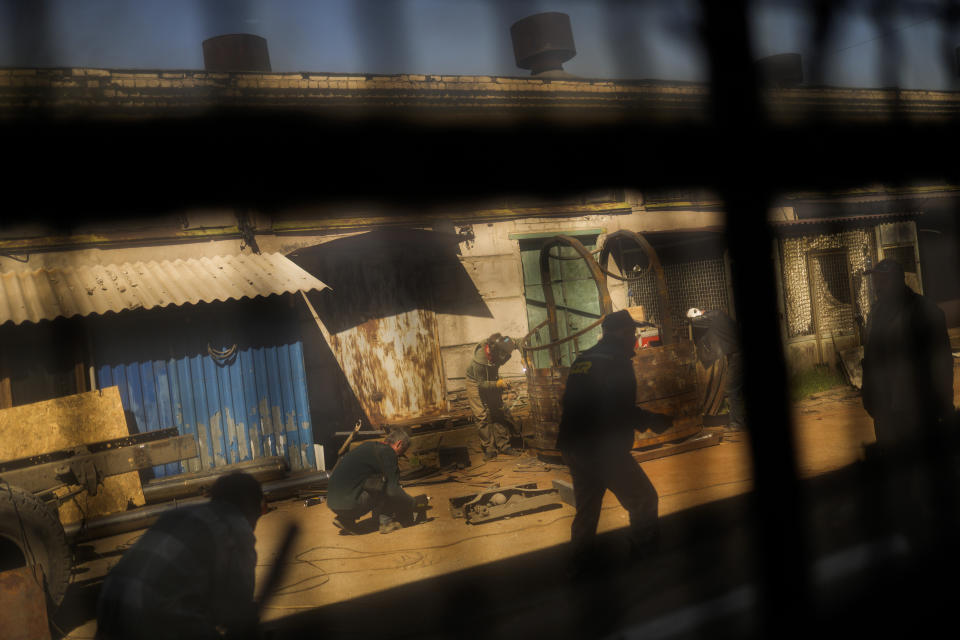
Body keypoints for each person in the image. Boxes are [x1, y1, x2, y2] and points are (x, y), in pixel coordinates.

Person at [557, 309, 674, 577]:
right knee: (644, 499)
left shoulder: (584, 359)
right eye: (632, 332)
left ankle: (580, 565)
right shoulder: (615, 361)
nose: (634, 337)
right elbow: (618, 408)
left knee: (587, 508)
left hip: (573, 445)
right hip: (601, 448)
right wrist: (653, 420)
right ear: (621, 333)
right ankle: (645, 563)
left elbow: (568, 402)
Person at [96, 471, 266, 640]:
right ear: (251, 506)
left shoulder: (179, 513)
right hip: (156, 610)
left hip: (110, 601)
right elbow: (239, 612)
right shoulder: (236, 526)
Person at [861, 258, 954, 454]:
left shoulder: (925, 312)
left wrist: (943, 405)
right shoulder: (876, 313)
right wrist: (868, 395)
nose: (877, 287)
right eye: (875, 281)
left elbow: (943, 363)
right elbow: (870, 358)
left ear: (897, 280)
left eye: (883, 281)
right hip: (885, 412)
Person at [327, 428, 427, 535]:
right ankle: (386, 524)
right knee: (387, 485)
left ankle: (345, 519)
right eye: (402, 452)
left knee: (375, 483)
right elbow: (392, 490)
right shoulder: (388, 452)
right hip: (349, 504)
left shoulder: (368, 447)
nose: (399, 456)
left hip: (332, 502)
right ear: (398, 444)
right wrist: (412, 503)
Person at [686, 307, 745, 431]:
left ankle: (737, 423)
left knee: (731, 387)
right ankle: (739, 420)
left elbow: (699, 321)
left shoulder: (713, 316)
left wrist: (691, 321)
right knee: (736, 388)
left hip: (738, 354)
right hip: (736, 353)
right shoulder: (715, 316)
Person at [465, 332, 522, 460]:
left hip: (492, 378)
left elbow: (519, 342)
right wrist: (499, 384)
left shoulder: (503, 342)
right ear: (494, 351)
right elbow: (482, 385)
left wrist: (525, 356)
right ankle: (489, 448)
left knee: (498, 411)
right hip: (475, 382)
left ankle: (504, 446)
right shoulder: (480, 359)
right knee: (481, 415)